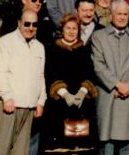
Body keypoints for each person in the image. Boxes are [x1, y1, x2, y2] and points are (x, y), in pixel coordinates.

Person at [91, 0, 129, 154]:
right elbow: (98, 65)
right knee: (106, 145)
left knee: (128, 146)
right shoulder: (98, 36)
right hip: (109, 96)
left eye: (125, 14)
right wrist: (117, 84)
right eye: (119, 14)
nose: (122, 17)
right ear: (111, 15)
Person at [0, 10, 46, 155]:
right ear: (19, 23)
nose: (30, 28)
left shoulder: (39, 47)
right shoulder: (5, 42)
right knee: (3, 150)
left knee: (21, 151)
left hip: (29, 106)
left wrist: (41, 101)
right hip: (10, 105)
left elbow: (40, 76)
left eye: (34, 24)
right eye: (27, 24)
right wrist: (6, 96)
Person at [43, 13, 98, 152]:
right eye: (68, 28)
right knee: (60, 147)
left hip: (82, 106)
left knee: (80, 148)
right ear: (62, 30)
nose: (71, 31)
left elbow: (90, 73)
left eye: (74, 28)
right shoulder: (52, 49)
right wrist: (65, 94)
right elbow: (50, 74)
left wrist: (82, 92)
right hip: (58, 106)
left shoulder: (85, 50)